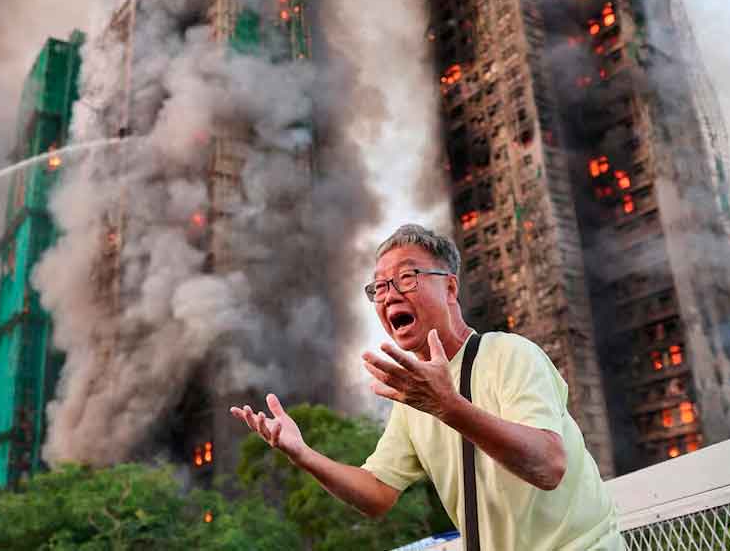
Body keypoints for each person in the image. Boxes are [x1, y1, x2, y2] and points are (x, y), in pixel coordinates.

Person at [230, 224, 623, 550]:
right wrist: (303, 454)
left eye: (406, 277)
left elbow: (548, 466)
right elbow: (377, 493)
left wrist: (448, 406)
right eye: (379, 287)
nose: (389, 294)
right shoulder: (413, 400)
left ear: (450, 288)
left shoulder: (510, 354)